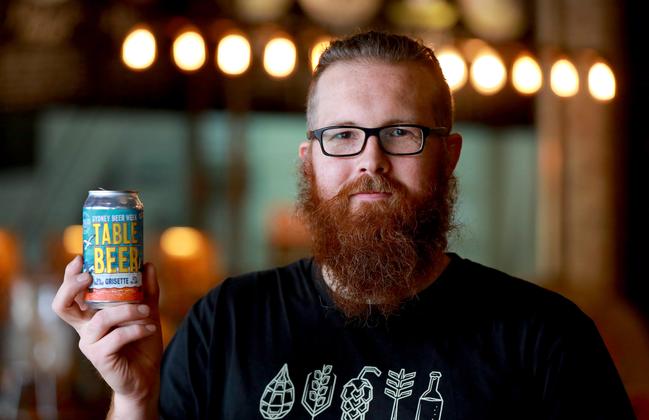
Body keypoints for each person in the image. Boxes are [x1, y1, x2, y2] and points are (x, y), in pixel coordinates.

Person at [52, 31, 635, 419]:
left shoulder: (547, 339)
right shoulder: (224, 323)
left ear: (449, 155)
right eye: (342, 135)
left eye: (402, 133)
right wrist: (133, 398)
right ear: (309, 159)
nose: (370, 161)